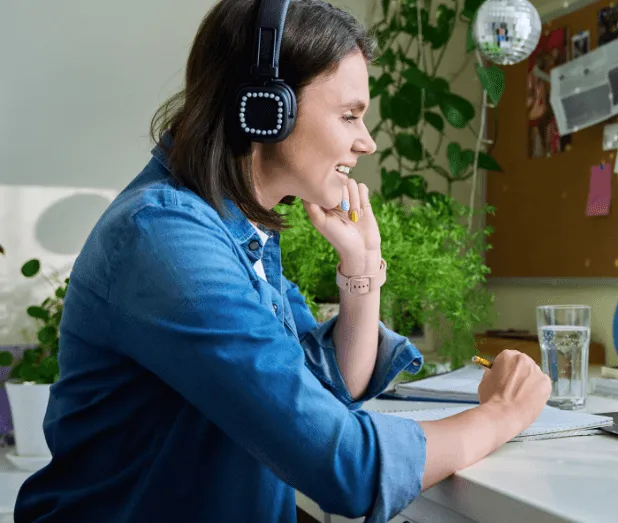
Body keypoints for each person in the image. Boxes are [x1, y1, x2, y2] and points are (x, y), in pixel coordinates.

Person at [13, 1, 551, 522]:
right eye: (349, 115)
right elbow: (343, 465)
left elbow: (324, 387)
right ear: (268, 109)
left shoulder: (238, 228)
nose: (366, 142)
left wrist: (362, 272)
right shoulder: (165, 240)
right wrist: (502, 414)